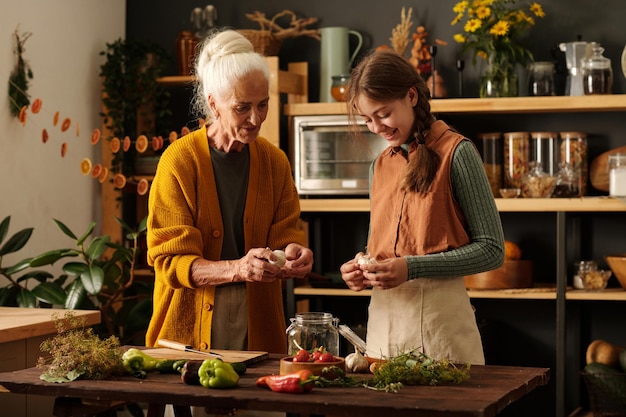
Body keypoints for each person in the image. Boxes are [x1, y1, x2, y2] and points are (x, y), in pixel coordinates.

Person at [145, 29, 313, 356]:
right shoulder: (179, 162)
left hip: (259, 324)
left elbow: (285, 237)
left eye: (263, 105)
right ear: (214, 104)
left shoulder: (275, 162)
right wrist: (237, 268)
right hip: (188, 331)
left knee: (259, 405)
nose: (255, 118)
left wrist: (295, 253)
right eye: (242, 107)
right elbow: (170, 262)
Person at [339, 50, 504, 365]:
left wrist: (411, 268)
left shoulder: (458, 153)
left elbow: (492, 250)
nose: (376, 127)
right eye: (367, 119)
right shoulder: (380, 166)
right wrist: (362, 268)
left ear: (411, 96)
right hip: (383, 330)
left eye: (383, 114)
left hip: (441, 332)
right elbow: (382, 247)